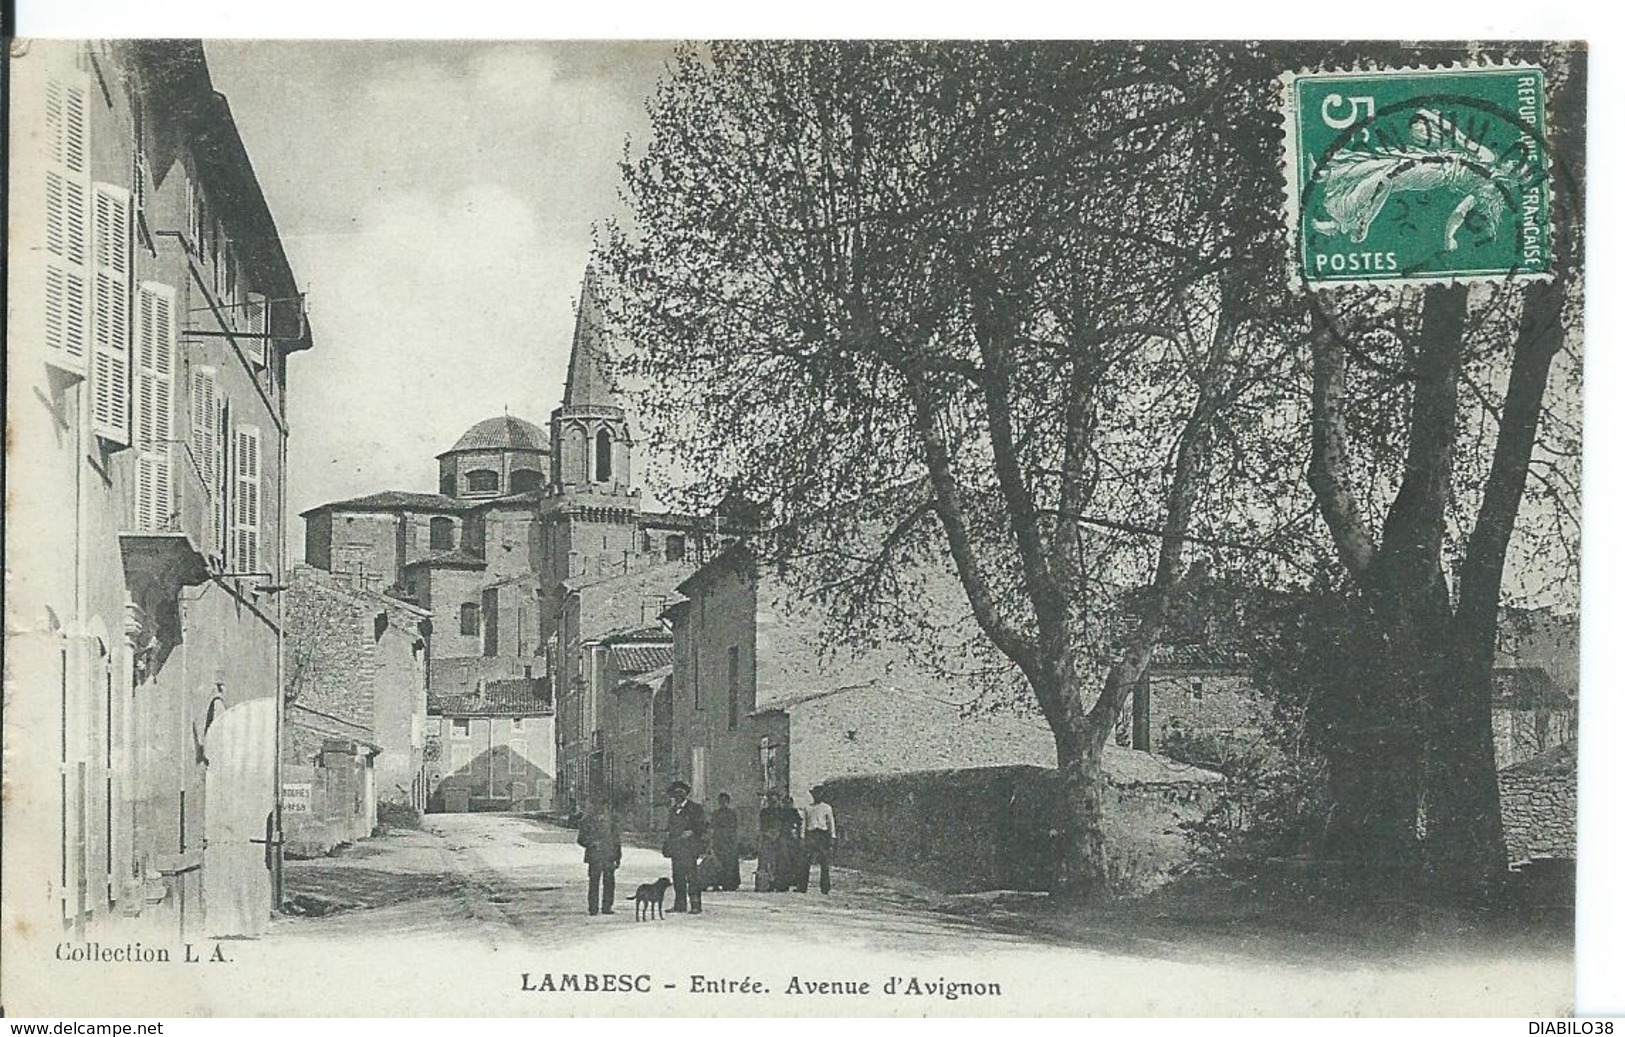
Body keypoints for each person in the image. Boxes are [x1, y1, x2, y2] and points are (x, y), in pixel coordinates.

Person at [662, 780, 707, 913]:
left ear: (686, 794)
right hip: (676, 848)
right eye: (675, 794)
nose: (677, 796)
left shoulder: (695, 808)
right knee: (677, 876)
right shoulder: (673, 810)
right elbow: (670, 829)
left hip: (689, 848)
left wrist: (692, 831)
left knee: (692, 877)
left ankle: (695, 904)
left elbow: (702, 826)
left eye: (680, 793)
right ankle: (680, 904)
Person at [576, 798, 621, 916]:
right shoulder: (587, 821)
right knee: (594, 882)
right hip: (594, 856)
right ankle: (593, 908)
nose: (602, 810)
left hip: (609, 856)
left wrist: (618, 857)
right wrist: (591, 843)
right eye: (599, 807)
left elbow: (616, 840)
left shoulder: (611, 821)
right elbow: (580, 839)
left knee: (609, 882)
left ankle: (607, 906)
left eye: (604, 807)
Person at [800, 786, 836, 894]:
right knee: (805, 861)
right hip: (811, 835)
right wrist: (802, 837)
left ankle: (825, 887)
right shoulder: (808, 808)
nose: (817, 796)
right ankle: (802, 886)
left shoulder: (827, 808)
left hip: (822, 835)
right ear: (812, 795)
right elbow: (804, 823)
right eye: (815, 794)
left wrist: (832, 836)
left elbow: (831, 823)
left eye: (820, 794)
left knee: (824, 862)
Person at [710, 792, 741, 892]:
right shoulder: (715, 813)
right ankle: (717, 883)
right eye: (721, 801)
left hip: (729, 839)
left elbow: (735, 826)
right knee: (718, 861)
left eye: (725, 801)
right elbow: (712, 825)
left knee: (730, 861)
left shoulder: (732, 813)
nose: (723, 803)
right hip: (718, 838)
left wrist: (733, 840)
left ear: (728, 802)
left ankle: (730, 883)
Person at [776, 793, 804, 893]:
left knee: (795, 861)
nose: (787, 805)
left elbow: (799, 824)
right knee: (783, 861)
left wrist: (797, 834)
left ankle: (795, 882)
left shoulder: (794, 812)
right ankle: (782, 884)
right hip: (783, 838)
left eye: (789, 803)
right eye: (785, 803)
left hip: (793, 839)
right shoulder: (780, 812)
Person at [755, 791, 783, 891]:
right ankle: (764, 883)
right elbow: (762, 826)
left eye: (774, 801)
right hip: (767, 837)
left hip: (779, 838)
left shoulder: (781, 811)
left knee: (778, 861)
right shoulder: (764, 812)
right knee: (764, 861)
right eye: (771, 801)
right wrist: (764, 835)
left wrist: (777, 834)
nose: (772, 803)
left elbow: (783, 825)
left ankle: (777, 883)